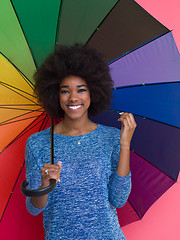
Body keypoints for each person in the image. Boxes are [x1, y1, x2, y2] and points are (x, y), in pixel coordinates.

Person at [25, 44, 136, 240]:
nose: (73, 98)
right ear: (54, 94)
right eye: (65, 91)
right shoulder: (38, 143)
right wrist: (44, 184)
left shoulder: (111, 138)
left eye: (81, 90)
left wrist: (125, 145)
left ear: (93, 92)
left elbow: (118, 199)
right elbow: (34, 209)